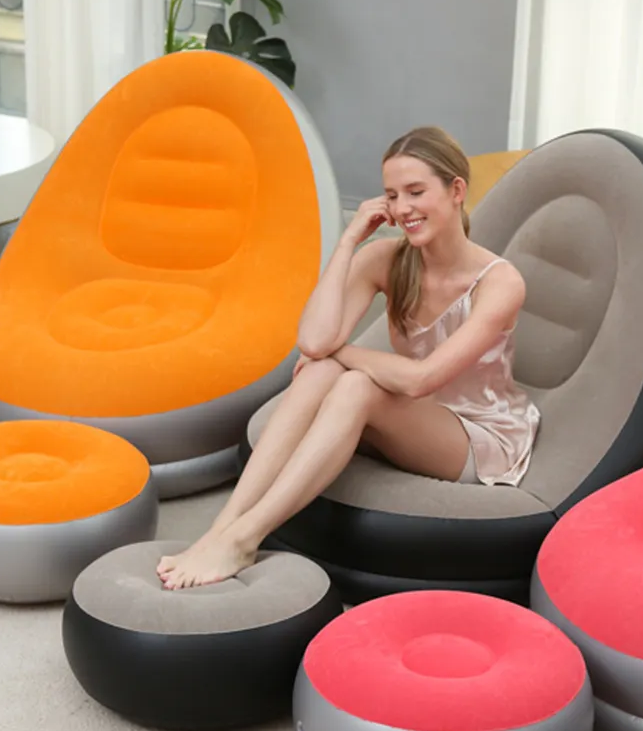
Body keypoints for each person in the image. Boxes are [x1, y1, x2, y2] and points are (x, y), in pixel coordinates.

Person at [157, 127, 540, 590]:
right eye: (392, 196)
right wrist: (348, 241)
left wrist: (343, 353)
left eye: (416, 192)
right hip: (411, 415)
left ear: (456, 190)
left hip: (477, 433)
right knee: (322, 370)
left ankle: (246, 538)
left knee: (353, 381)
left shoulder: (500, 282)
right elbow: (314, 341)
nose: (402, 208)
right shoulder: (386, 259)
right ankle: (222, 528)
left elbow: (421, 379)